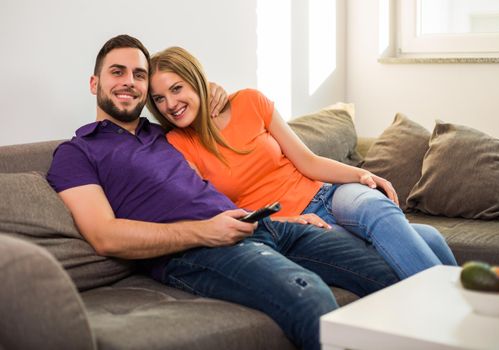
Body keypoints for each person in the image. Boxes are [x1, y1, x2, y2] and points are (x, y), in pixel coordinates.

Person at [46, 34, 400, 350]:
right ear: (94, 83)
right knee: (309, 295)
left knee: (386, 273)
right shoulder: (77, 153)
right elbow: (105, 236)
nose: (129, 82)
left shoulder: (163, 134)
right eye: (117, 72)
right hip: (197, 252)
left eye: (139, 75)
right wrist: (205, 231)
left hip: (261, 225)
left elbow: (198, 105)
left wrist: (209, 88)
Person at [147, 46, 458, 280]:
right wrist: (283, 223)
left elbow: (307, 160)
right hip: (297, 224)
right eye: (159, 99)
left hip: (330, 195)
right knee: (429, 238)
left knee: (376, 207)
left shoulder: (249, 101)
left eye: (177, 89)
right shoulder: (177, 145)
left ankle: (448, 311)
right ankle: (459, 315)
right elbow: (217, 212)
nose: (171, 104)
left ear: (196, 81)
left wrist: (362, 173)